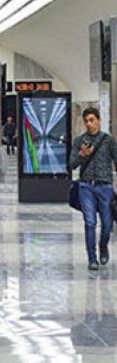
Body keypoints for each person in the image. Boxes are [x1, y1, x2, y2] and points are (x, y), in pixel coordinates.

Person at [69, 107, 117, 271]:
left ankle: (103, 245)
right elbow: (71, 164)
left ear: (99, 120)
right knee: (90, 222)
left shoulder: (108, 140)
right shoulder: (79, 141)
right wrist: (81, 155)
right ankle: (92, 257)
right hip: (86, 186)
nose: (89, 124)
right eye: (86, 121)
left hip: (105, 186)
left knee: (107, 223)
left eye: (92, 120)